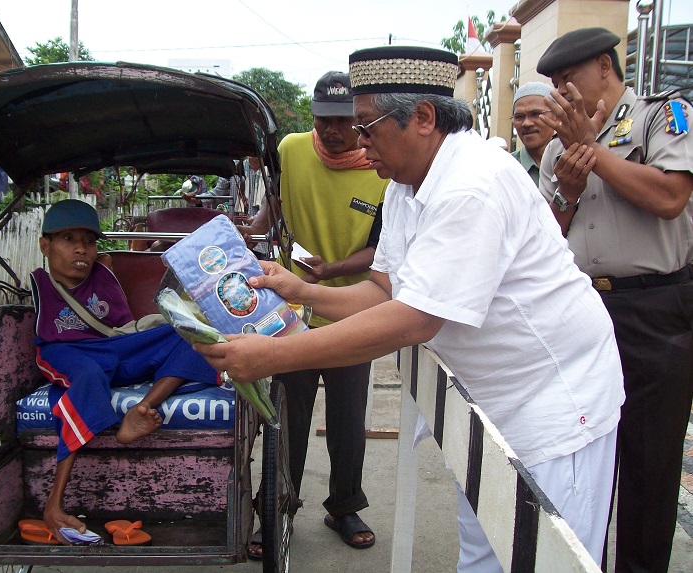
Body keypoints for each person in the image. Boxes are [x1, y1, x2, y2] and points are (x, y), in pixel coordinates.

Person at [194, 46, 625, 571]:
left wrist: (273, 356)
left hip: (554, 403)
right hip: (495, 404)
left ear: (422, 118)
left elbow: (417, 318)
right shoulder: (404, 182)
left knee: (544, 559)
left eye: (367, 127)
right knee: (484, 553)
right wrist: (303, 292)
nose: (357, 141)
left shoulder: (474, 184)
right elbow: (385, 291)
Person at [535, 27, 693, 572]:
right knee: (584, 459)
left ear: (605, 67)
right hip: (582, 310)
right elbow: (546, 240)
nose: (562, 93)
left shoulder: (661, 116)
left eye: (569, 79)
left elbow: (671, 197)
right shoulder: (557, 147)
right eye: (554, 84)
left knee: (649, 466)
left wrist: (593, 154)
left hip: (654, 311)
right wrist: (569, 190)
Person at [238, 71, 388, 556]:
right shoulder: (290, 151)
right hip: (290, 311)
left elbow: (380, 251)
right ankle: (278, 507)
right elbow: (276, 207)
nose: (332, 131)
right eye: (324, 120)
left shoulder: (380, 167)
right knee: (285, 418)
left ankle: (344, 506)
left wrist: (331, 270)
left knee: (348, 420)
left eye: (345, 121)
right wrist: (255, 228)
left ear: (359, 124)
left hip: (353, 311)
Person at [30, 199, 217, 544]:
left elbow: (124, 324)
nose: (80, 249)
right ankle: (54, 504)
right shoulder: (42, 283)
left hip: (117, 347)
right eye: (68, 239)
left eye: (88, 241)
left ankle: (140, 410)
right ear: (45, 245)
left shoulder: (103, 271)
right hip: (66, 352)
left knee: (192, 336)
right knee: (86, 376)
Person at [510, 81, 556, 186]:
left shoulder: (572, 161)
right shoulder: (505, 168)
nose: (526, 123)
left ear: (556, 116)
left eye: (535, 114)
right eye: (519, 117)